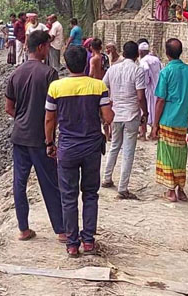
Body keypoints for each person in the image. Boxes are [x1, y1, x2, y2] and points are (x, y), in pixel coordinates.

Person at [45, 46, 114, 257]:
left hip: (67, 148)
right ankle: (89, 241)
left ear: (66, 64)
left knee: (68, 196)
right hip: (92, 147)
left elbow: (49, 119)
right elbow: (108, 117)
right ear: (85, 62)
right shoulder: (98, 86)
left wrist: (49, 143)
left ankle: (72, 243)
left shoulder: (56, 87)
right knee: (90, 194)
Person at [6, 30, 66, 243]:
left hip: (19, 137)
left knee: (19, 184)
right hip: (40, 138)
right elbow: (53, 112)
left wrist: (22, 118)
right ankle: (61, 230)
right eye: (47, 46)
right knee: (50, 183)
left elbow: (9, 107)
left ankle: (23, 228)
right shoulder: (49, 74)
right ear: (41, 47)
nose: (48, 49)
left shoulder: (15, 74)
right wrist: (50, 139)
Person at [150, 38, 188, 203]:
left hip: (167, 118)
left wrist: (155, 124)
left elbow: (160, 100)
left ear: (166, 52)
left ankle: (170, 189)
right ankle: (180, 188)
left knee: (166, 153)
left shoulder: (166, 72)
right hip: (182, 120)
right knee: (180, 153)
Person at [101, 41, 148, 199]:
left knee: (114, 146)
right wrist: (145, 112)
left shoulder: (113, 69)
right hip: (131, 114)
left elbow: (103, 87)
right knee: (128, 151)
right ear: (137, 55)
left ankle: (106, 178)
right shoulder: (137, 70)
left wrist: (109, 103)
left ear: (123, 52)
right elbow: (140, 96)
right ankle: (123, 187)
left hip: (116, 113)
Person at [138, 40, 162, 140]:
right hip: (157, 86)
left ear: (140, 52)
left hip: (148, 88)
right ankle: (154, 131)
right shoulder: (156, 59)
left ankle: (143, 133)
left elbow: (145, 70)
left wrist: (146, 80)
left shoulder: (143, 61)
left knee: (144, 109)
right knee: (155, 109)